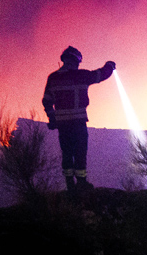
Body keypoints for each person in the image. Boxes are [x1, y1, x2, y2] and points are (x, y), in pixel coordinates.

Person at [42, 46, 115, 192]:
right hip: (78, 123)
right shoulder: (81, 75)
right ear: (76, 61)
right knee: (80, 152)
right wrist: (110, 65)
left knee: (67, 153)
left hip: (63, 125)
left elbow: (47, 100)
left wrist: (52, 118)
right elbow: (100, 75)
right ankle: (81, 183)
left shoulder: (53, 78)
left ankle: (70, 184)